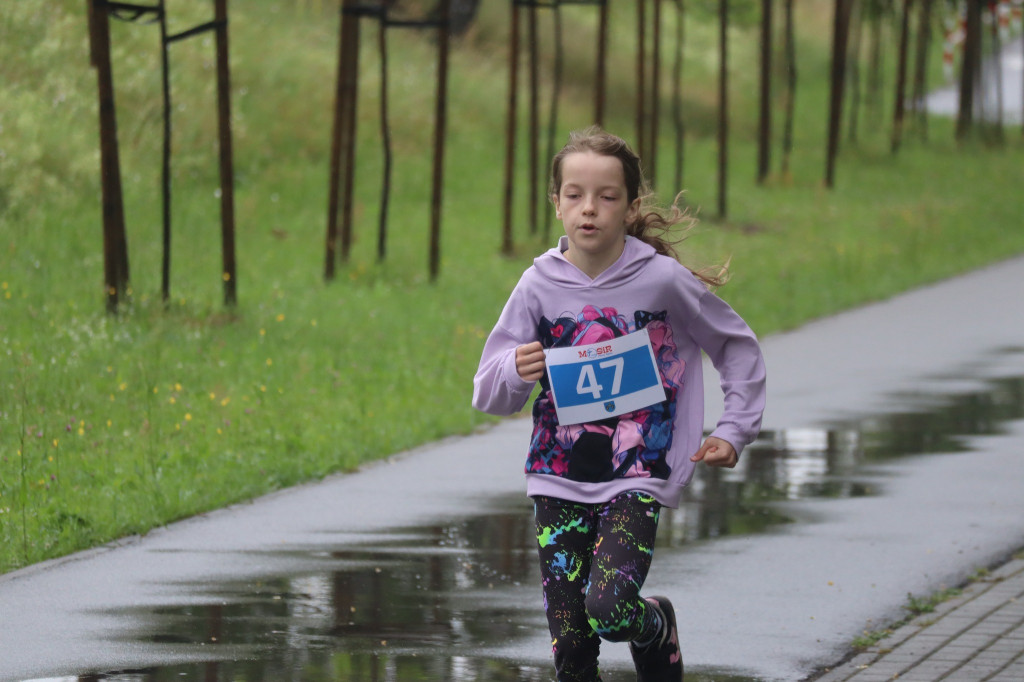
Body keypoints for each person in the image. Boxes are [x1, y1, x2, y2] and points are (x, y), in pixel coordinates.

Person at [472, 127, 766, 682]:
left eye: (607, 197)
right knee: (571, 649)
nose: (590, 209)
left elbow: (734, 344)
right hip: (556, 477)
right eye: (575, 194)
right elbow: (488, 389)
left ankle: (653, 625)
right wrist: (514, 368)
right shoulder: (536, 286)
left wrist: (734, 428)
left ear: (630, 207)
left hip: (637, 472)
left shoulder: (660, 280)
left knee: (608, 609)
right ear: (555, 203)